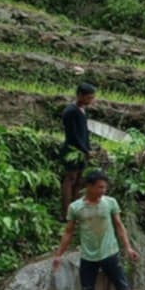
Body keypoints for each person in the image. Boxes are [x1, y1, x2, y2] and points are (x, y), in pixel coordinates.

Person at [52, 169, 139, 290]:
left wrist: (128, 248)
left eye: (104, 187)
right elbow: (68, 232)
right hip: (88, 255)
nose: (103, 191)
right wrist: (59, 255)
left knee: (121, 285)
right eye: (100, 187)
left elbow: (119, 225)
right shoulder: (75, 207)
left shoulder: (110, 202)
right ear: (89, 186)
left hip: (109, 252)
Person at [60, 82, 97, 219]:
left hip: (82, 150)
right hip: (72, 150)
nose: (90, 101)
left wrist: (88, 149)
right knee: (70, 179)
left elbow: (84, 133)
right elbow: (73, 135)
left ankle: (74, 211)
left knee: (79, 180)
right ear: (80, 95)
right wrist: (85, 150)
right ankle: (65, 213)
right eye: (88, 98)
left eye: (92, 98)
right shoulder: (70, 112)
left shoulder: (82, 110)